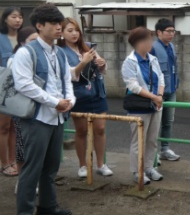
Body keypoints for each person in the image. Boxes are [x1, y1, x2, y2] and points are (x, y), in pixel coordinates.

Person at [13, 4, 75, 215]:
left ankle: (48, 207)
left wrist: (70, 101)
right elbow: (23, 84)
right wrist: (53, 101)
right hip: (36, 118)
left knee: (51, 168)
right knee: (31, 170)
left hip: (57, 117)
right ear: (39, 25)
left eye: (60, 23)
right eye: (54, 24)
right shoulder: (26, 52)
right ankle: (25, 211)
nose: (59, 27)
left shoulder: (60, 52)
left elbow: (67, 80)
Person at [57, 18, 112, 178]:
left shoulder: (87, 46)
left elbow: (101, 70)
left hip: (97, 92)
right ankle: (82, 165)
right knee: (81, 131)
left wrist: (102, 64)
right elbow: (69, 75)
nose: (74, 34)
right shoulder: (60, 51)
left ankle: (101, 164)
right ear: (62, 33)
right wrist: (83, 63)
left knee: (100, 129)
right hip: (79, 95)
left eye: (76, 30)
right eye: (69, 30)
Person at [122, 27, 165, 185]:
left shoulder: (152, 59)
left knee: (152, 139)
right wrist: (154, 97)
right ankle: (136, 171)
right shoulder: (129, 62)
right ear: (139, 42)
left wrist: (159, 96)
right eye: (148, 39)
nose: (151, 43)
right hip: (138, 107)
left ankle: (149, 167)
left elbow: (161, 78)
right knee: (138, 140)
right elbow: (133, 86)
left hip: (155, 105)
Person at [9, 26, 38, 194]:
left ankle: (32, 181)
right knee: (22, 147)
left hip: (37, 109)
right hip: (22, 109)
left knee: (35, 149)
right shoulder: (15, 58)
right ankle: (22, 182)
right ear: (22, 42)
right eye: (32, 40)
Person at [150, 18, 180, 162]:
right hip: (157, 93)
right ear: (159, 32)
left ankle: (165, 149)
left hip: (171, 89)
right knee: (155, 123)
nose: (172, 33)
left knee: (168, 121)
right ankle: (153, 152)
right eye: (169, 31)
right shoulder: (153, 47)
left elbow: (174, 67)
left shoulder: (171, 46)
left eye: (173, 31)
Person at [0, 6, 23, 177]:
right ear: (5, 19)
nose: (18, 20)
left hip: (20, 87)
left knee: (16, 126)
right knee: (3, 126)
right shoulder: (0, 38)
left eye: (20, 17)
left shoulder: (24, 38)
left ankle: (15, 160)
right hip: (3, 86)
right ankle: (5, 163)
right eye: (14, 16)